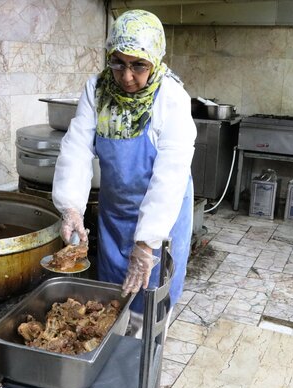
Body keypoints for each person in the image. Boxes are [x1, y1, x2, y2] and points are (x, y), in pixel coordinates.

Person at [51, 9, 196, 335]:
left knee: (151, 302)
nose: (127, 76)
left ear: (155, 61)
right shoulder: (97, 90)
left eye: (138, 65)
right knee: (113, 301)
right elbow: (76, 147)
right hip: (116, 213)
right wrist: (70, 206)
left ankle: (145, 366)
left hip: (163, 214)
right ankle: (114, 361)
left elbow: (170, 175)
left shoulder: (171, 99)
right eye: (118, 62)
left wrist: (147, 242)